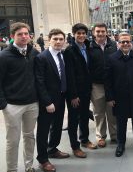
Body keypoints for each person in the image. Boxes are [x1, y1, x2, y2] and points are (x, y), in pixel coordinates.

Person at [0, 22, 39, 172]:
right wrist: (4, 104)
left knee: (29, 137)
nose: (24, 36)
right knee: (13, 141)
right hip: (12, 106)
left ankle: (29, 166)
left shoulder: (33, 53)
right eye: (20, 34)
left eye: (26, 33)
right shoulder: (4, 56)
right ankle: (12, 169)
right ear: (12, 36)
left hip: (32, 104)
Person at [105, 32, 133, 157]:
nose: (125, 44)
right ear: (118, 43)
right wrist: (110, 97)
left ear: (131, 43)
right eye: (122, 42)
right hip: (119, 98)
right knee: (121, 122)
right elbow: (107, 80)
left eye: (127, 42)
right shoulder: (112, 58)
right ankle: (121, 144)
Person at [35, 29, 70, 172]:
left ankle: (53, 149)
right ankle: (43, 159)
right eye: (55, 39)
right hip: (47, 101)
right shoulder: (42, 57)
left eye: (61, 39)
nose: (58, 41)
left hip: (61, 97)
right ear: (49, 39)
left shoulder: (63, 55)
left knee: (57, 126)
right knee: (43, 130)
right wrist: (47, 102)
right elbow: (39, 81)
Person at [64, 23, 97, 158]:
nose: (81, 35)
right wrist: (73, 95)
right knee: (73, 120)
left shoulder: (87, 47)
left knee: (84, 116)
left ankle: (84, 140)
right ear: (74, 34)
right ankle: (75, 146)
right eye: (78, 33)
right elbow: (69, 74)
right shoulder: (69, 51)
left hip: (86, 90)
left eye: (83, 33)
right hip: (74, 93)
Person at [89, 23, 117, 148]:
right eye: (98, 31)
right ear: (94, 32)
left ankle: (115, 135)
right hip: (97, 85)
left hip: (112, 84)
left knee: (112, 112)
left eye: (102, 31)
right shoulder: (89, 47)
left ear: (106, 32)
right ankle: (101, 137)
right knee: (98, 112)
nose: (100, 33)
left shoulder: (114, 46)